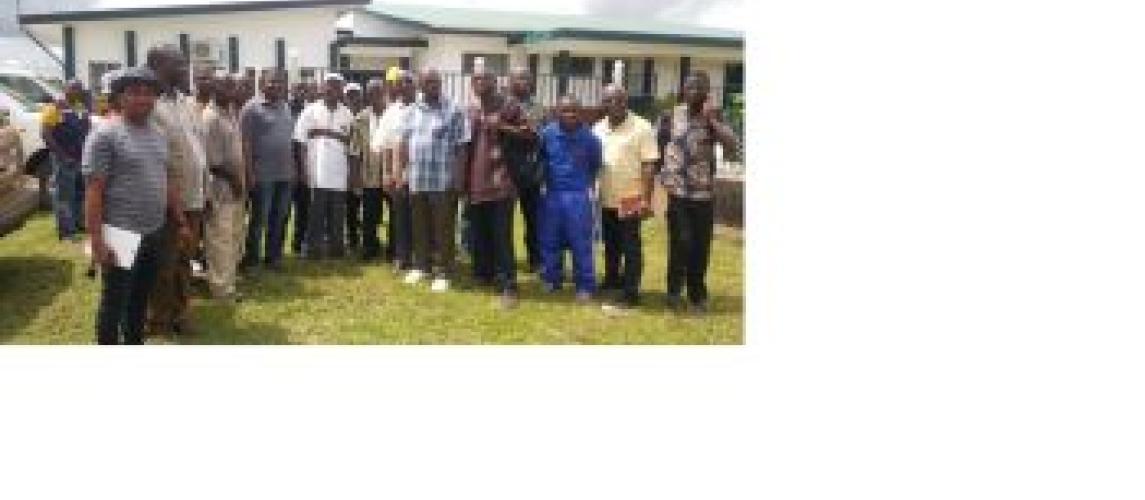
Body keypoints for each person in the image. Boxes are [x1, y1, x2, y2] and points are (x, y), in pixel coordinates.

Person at [84, 67, 190, 344]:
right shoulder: (105, 135)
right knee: (115, 301)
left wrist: (180, 220)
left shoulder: (158, 134)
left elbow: (165, 180)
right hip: (120, 234)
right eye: (134, 92)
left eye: (149, 93)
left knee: (140, 299)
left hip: (154, 232)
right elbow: (94, 191)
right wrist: (96, 240)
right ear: (120, 97)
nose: (143, 99)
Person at [659, 71, 740, 314]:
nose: (693, 92)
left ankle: (697, 295)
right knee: (680, 242)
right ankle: (674, 291)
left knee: (700, 246)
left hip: (703, 195)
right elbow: (660, 145)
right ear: (683, 90)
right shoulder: (670, 116)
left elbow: (732, 146)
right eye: (689, 87)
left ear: (707, 92)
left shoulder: (714, 117)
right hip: (678, 194)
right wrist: (664, 176)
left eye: (699, 88)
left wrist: (713, 120)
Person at [146, 44, 207, 337]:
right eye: (177, 63)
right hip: (166, 200)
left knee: (185, 258)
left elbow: (197, 147)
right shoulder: (149, 104)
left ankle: (181, 313)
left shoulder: (185, 102)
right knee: (163, 263)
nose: (184, 68)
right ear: (157, 65)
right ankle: (159, 320)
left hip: (194, 196)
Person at [397, 68, 469, 292]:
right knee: (420, 227)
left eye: (436, 81)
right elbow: (404, 144)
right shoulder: (411, 111)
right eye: (428, 82)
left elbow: (462, 147)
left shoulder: (454, 109)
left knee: (443, 229)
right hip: (418, 179)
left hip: (443, 181)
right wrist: (402, 174)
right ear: (420, 85)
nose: (434, 85)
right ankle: (422, 266)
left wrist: (459, 179)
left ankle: (444, 271)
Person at [593, 84, 659, 309]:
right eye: (609, 100)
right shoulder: (598, 128)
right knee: (611, 243)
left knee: (630, 246)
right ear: (603, 103)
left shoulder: (642, 127)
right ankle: (612, 280)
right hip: (606, 197)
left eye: (619, 100)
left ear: (626, 101)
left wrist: (646, 200)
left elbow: (649, 166)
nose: (615, 104)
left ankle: (631, 292)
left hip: (631, 198)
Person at [462, 65, 518, 308]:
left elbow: (530, 133)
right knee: (479, 232)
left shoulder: (509, 106)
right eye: (476, 80)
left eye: (485, 79)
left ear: (495, 82)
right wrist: (463, 180)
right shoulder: (471, 110)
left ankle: (508, 283)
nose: (480, 83)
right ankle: (484, 275)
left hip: (501, 182)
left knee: (501, 235)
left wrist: (502, 126)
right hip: (476, 181)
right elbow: (465, 146)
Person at [537, 95, 602, 303]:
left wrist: (584, 186)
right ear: (557, 112)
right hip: (553, 194)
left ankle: (585, 285)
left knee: (581, 242)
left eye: (574, 110)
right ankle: (551, 278)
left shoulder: (590, 138)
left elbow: (595, 165)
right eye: (565, 110)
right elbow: (541, 160)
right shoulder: (547, 134)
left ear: (580, 112)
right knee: (550, 239)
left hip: (578, 196)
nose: (570, 114)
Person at [239, 69, 295, 271]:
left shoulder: (285, 107)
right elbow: (245, 144)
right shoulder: (251, 108)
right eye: (271, 82)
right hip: (262, 174)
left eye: (279, 82)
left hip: (285, 173)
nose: (275, 85)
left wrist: (293, 168)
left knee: (279, 218)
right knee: (259, 219)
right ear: (262, 83)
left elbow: (288, 140)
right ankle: (252, 259)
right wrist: (249, 173)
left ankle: (273, 257)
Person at [294, 73, 354, 259]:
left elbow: (352, 147)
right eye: (329, 85)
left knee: (338, 214)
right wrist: (303, 170)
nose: (332, 89)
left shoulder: (348, 114)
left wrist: (351, 174)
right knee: (315, 214)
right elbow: (300, 142)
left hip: (339, 173)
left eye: (336, 86)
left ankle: (337, 250)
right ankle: (313, 250)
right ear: (322, 88)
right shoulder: (310, 111)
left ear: (341, 89)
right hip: (316, 172)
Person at [202, 75, 246, 303]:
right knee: (220, 239)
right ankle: (221, 289)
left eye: (233, 86)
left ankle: (230, 278)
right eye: (226, 86)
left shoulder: (230, 112)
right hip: (220, 189)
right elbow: (211, 162)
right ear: (214, 88)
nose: (231, 90)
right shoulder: (210, 117)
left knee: (235, 234)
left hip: (236, 188)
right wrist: (234, 179)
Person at [501, 67, 546, 274]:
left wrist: (505, 127)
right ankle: (503, 260)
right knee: (503, 222)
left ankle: (536, 260)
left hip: (530, 171)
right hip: (504, 172)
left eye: (527, 78)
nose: (524, 81)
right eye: (519, 78)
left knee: (534, 220)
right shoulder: (501, 104)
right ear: (509, 80)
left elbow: (537, 134)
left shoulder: (537, 107)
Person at [375, 68, 415, 273]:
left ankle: (422, 258)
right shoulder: (391, 113)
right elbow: (384, 145)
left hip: (422, 175)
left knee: (421, 218)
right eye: (401, 82)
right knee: (400, 217)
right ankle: (402, 257)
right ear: (396, 87)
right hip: (399, 175)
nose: (405, 85)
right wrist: (386, 174)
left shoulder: (423, 108)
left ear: (415, 85)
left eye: (409, 81)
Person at [42, 79, 91, 241]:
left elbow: (87, 127)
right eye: (74, 88)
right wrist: (62, 156)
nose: (77, 91)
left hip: (80, 158)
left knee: (79, 193)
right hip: (64, 158)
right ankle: (66, 232)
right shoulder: (54, 108)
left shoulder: (79, 107)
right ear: (65, 89)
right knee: (64, 195)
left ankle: (78, 224)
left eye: (79, 89)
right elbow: (46, 134)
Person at [350, 78, 387, 261]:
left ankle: (394, 249)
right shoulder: (360, 119)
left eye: (378, 92)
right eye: (371, 93)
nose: (375, 96)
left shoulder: (393, 114)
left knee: (395, 214)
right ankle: (369, 248)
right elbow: (355, 151)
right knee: (370, 214)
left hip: (390, 174)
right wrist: (355, 177)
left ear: (384, 93)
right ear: (367, 95)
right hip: (369, 175)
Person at [289, 81, 311, 256]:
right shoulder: (286, 110)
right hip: (286, 169)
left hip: (302, 168)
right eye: (298, 90)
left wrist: (302, 170)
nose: (301, 93)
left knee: (303, 210)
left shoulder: (308, 111)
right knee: (283, 212)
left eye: (303, 90)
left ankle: (299, 242)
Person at [343, 82, 365, 251]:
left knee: (368, 206)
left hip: (366, 167)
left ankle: (367, 236)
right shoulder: (342, 114)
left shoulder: (365, 115)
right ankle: (352, 238)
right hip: (345, 167)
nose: (352, 97)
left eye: (355, 94)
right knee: (351, 206)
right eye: (349, 95)